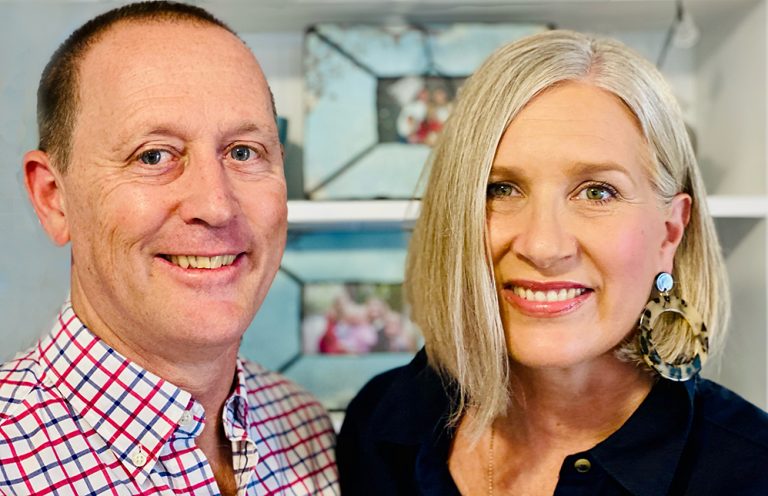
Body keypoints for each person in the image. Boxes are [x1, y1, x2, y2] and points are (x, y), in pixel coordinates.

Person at [337, 29, 768, 495]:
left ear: (670, 231)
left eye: (597, 192)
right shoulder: (382, 421)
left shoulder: (751, 471)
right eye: (500, 189)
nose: (543, 246)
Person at [0, 2, 338, 495]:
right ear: (54, 198)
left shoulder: (306, 429)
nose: (215, 205)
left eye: (243, 152)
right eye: (154, 155)